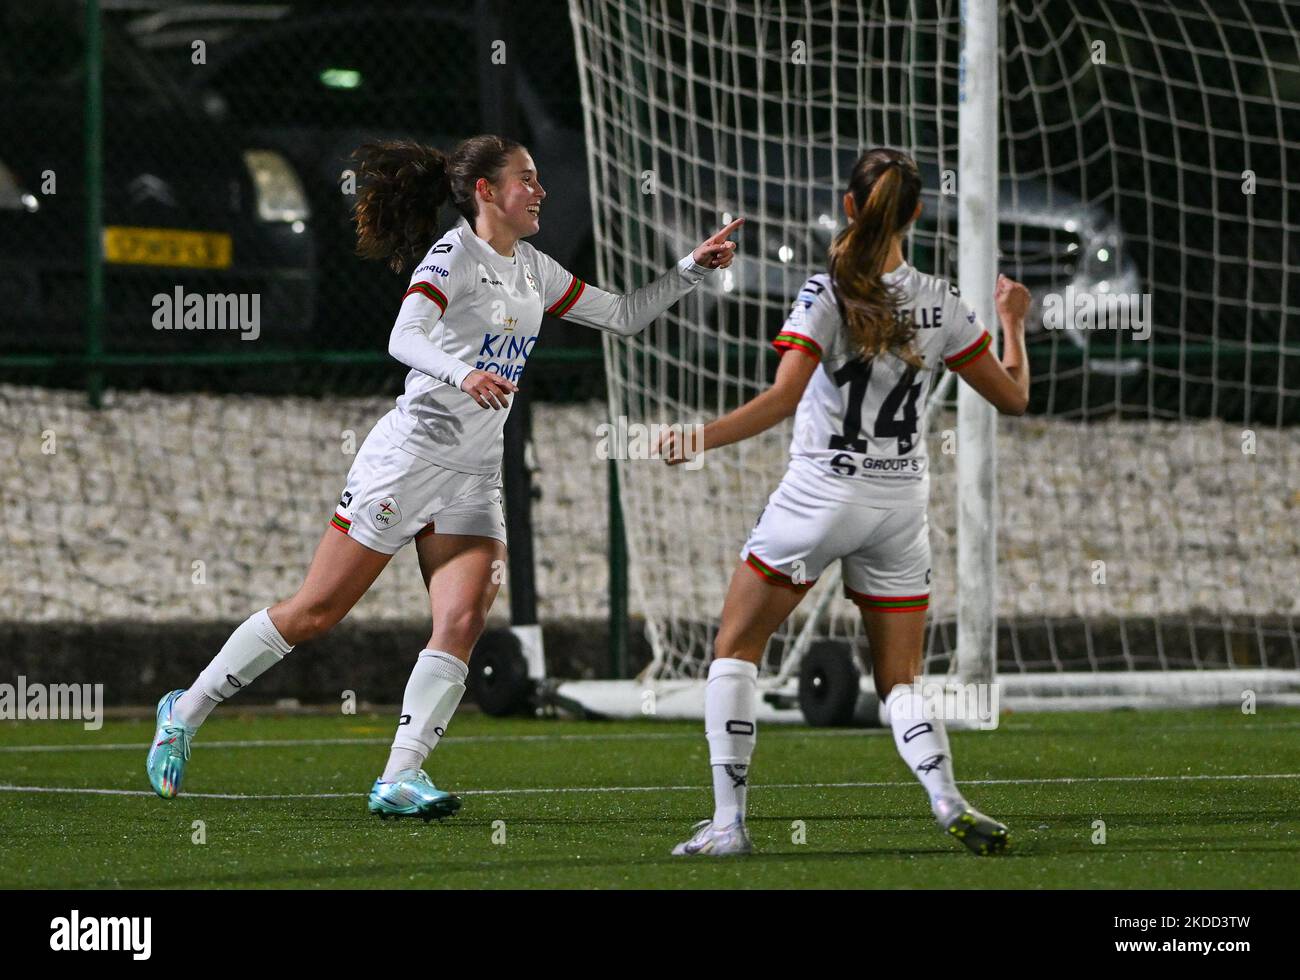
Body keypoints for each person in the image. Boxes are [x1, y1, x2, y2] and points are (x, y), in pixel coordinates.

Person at [146, 135, 742, 820]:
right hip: (409, 460)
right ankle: (184, 711)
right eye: (526, 179)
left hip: (473, 475)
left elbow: (624, 316)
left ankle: (399, 776)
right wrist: (464, 373)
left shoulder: (534, 270)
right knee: (316, 611)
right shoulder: (453, 255)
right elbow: (403, 337)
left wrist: (691, 268)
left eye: (539, 179)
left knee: (462, 618)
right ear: (485, 192)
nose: (540, 191)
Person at [661, 147, 1030, 856]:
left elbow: (781, 397)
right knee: (899, 680)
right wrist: (1013, 320)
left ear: (852, 206)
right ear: (918, 214)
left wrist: (699, 438)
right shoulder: (942, 302)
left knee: (736, 647)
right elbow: (1013, 398)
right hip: (899, 510)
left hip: (820, 496)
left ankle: (729, 825)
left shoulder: (826, 290)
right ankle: (946, 795)